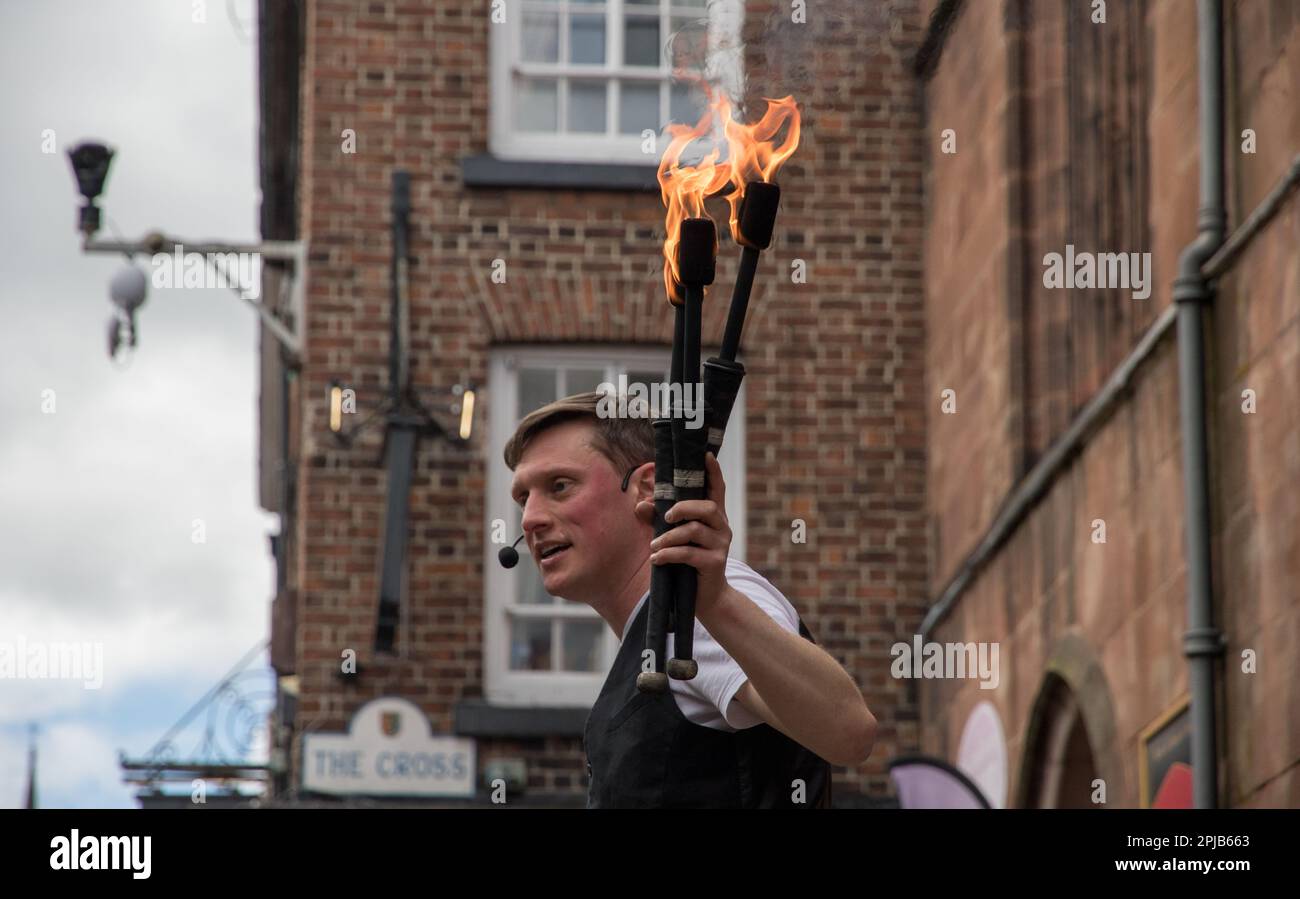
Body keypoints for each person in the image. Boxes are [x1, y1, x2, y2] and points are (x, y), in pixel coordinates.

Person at [503, 391, 877, 808]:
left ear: (646, 488)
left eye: (559, 486)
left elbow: (849, 731)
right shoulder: (661, 621)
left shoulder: (698, 608)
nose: (530, 518)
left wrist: (715, 602)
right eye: (523, 498)